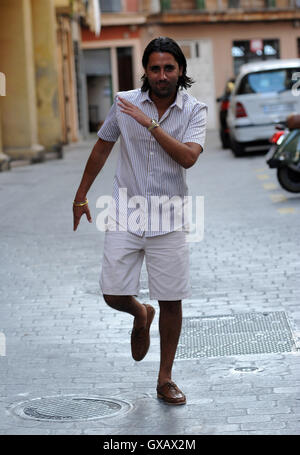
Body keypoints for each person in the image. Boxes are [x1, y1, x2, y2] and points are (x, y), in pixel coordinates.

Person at [73, 37, 207, 405]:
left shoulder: (195, 111)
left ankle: (165, 378)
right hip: (125, 212)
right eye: (154, 68)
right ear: (145, 71)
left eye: (169, 68)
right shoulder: (124, 103)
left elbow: (188, 158)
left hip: (170, 217)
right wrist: (81, 194)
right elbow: (102, 146)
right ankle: (139, 311)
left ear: (180, 71)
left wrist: (150, 125)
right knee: (112, 292)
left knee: (172, 299)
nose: (162, 75)